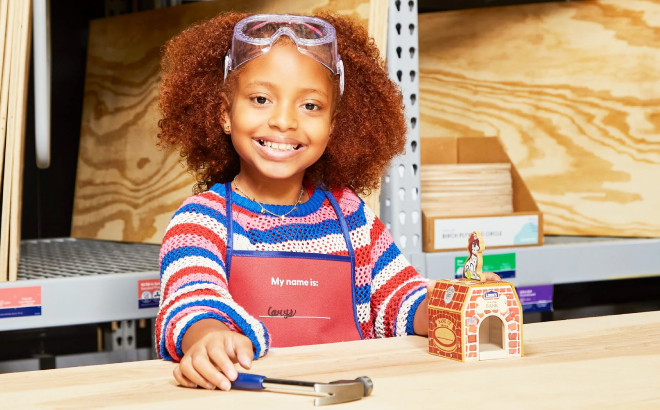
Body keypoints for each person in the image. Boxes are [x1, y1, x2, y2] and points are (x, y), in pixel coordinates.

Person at [155, 12, 497, 392]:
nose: (284, 121)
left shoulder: (350, 215)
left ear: (333, 126)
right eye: (261, 98)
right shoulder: (201, 221)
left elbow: (399, 300)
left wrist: (453, 302)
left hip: (350, 395)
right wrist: (207, 337)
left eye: (311, 106)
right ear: (224, 113)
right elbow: (190, 301)